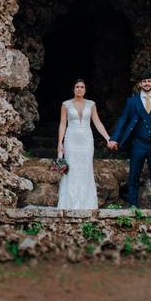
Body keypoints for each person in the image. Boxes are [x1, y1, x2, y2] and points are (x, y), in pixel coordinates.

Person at [107, 73, 151, 209]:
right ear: (140, 84)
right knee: (134, 177)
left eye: (149, 81)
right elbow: (123, 120)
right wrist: (114, 138)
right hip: (138, 144)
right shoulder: (132, 101)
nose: (147, 83)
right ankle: (133, 207)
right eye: (144, 81)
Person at [56, 79, 112, 210]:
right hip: (71, 140)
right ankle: (69, 204)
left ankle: (87, 204)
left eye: (82, 87)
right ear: (73, 89)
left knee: (86, 168)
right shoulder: (66, 104)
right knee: (71, 169)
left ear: (85, 90)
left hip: (86, 140)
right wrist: (60, 142)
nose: (79, 89)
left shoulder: (91, 104)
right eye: (77, 87)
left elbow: (97, 122)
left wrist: (108, 138)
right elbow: (63, 123)